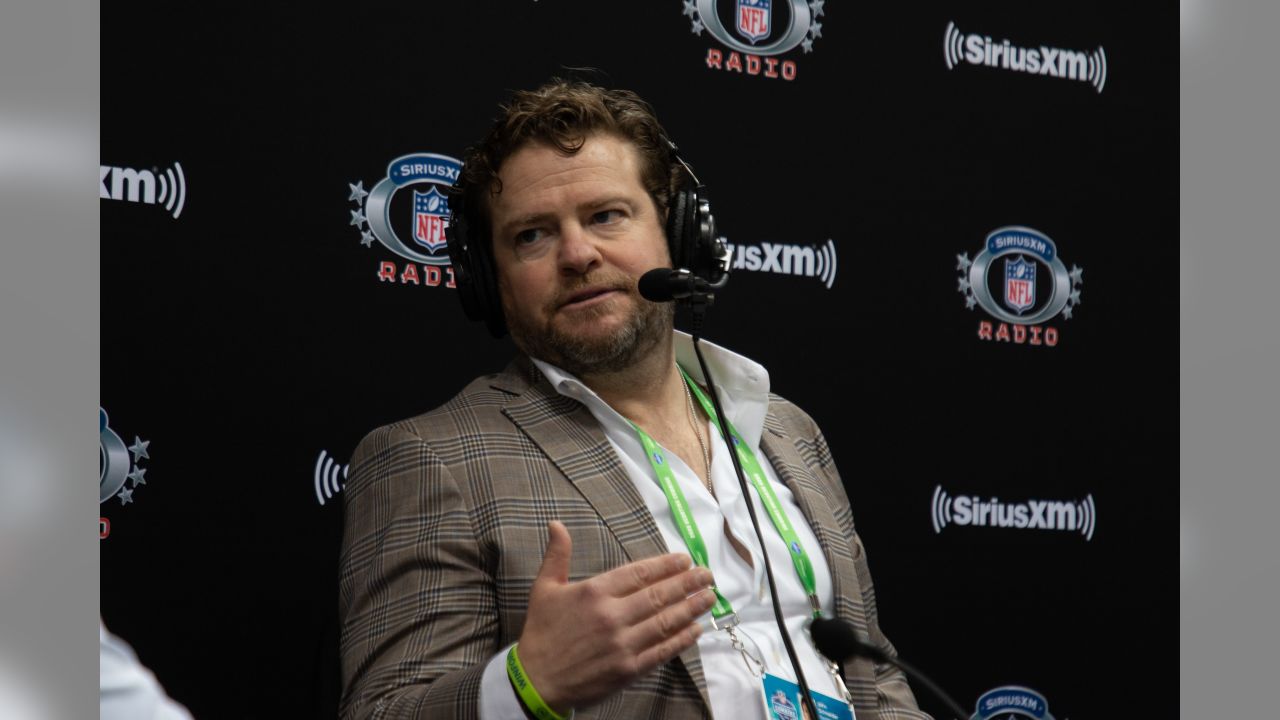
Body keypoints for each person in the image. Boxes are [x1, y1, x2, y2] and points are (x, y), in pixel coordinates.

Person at [338, 79, 930, 720]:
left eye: (605, 216)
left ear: (679, 233)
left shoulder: (786, 430)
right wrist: (525, 684)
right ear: (488, 282)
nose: (577, 254)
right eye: (532, 235)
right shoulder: (430, 459)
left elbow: (879, 683)